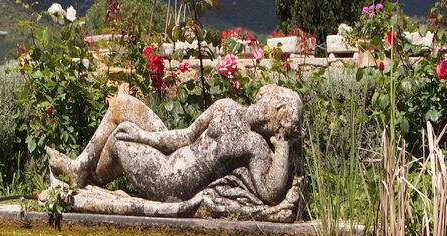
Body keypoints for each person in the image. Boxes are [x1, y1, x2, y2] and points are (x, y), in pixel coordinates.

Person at [46, 84, 302, 206]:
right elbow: (186, 136)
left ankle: (84, 174)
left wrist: (282, 145)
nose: (270, 118)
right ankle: (81, 167)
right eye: (275, 108)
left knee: (121, 136)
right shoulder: (226, 106)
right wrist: (145, 137)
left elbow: (271, 193)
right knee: (124, 105)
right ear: (268, 97)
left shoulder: (255, 145)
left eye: (278, 123)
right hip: (171, 154)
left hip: (171, 180)